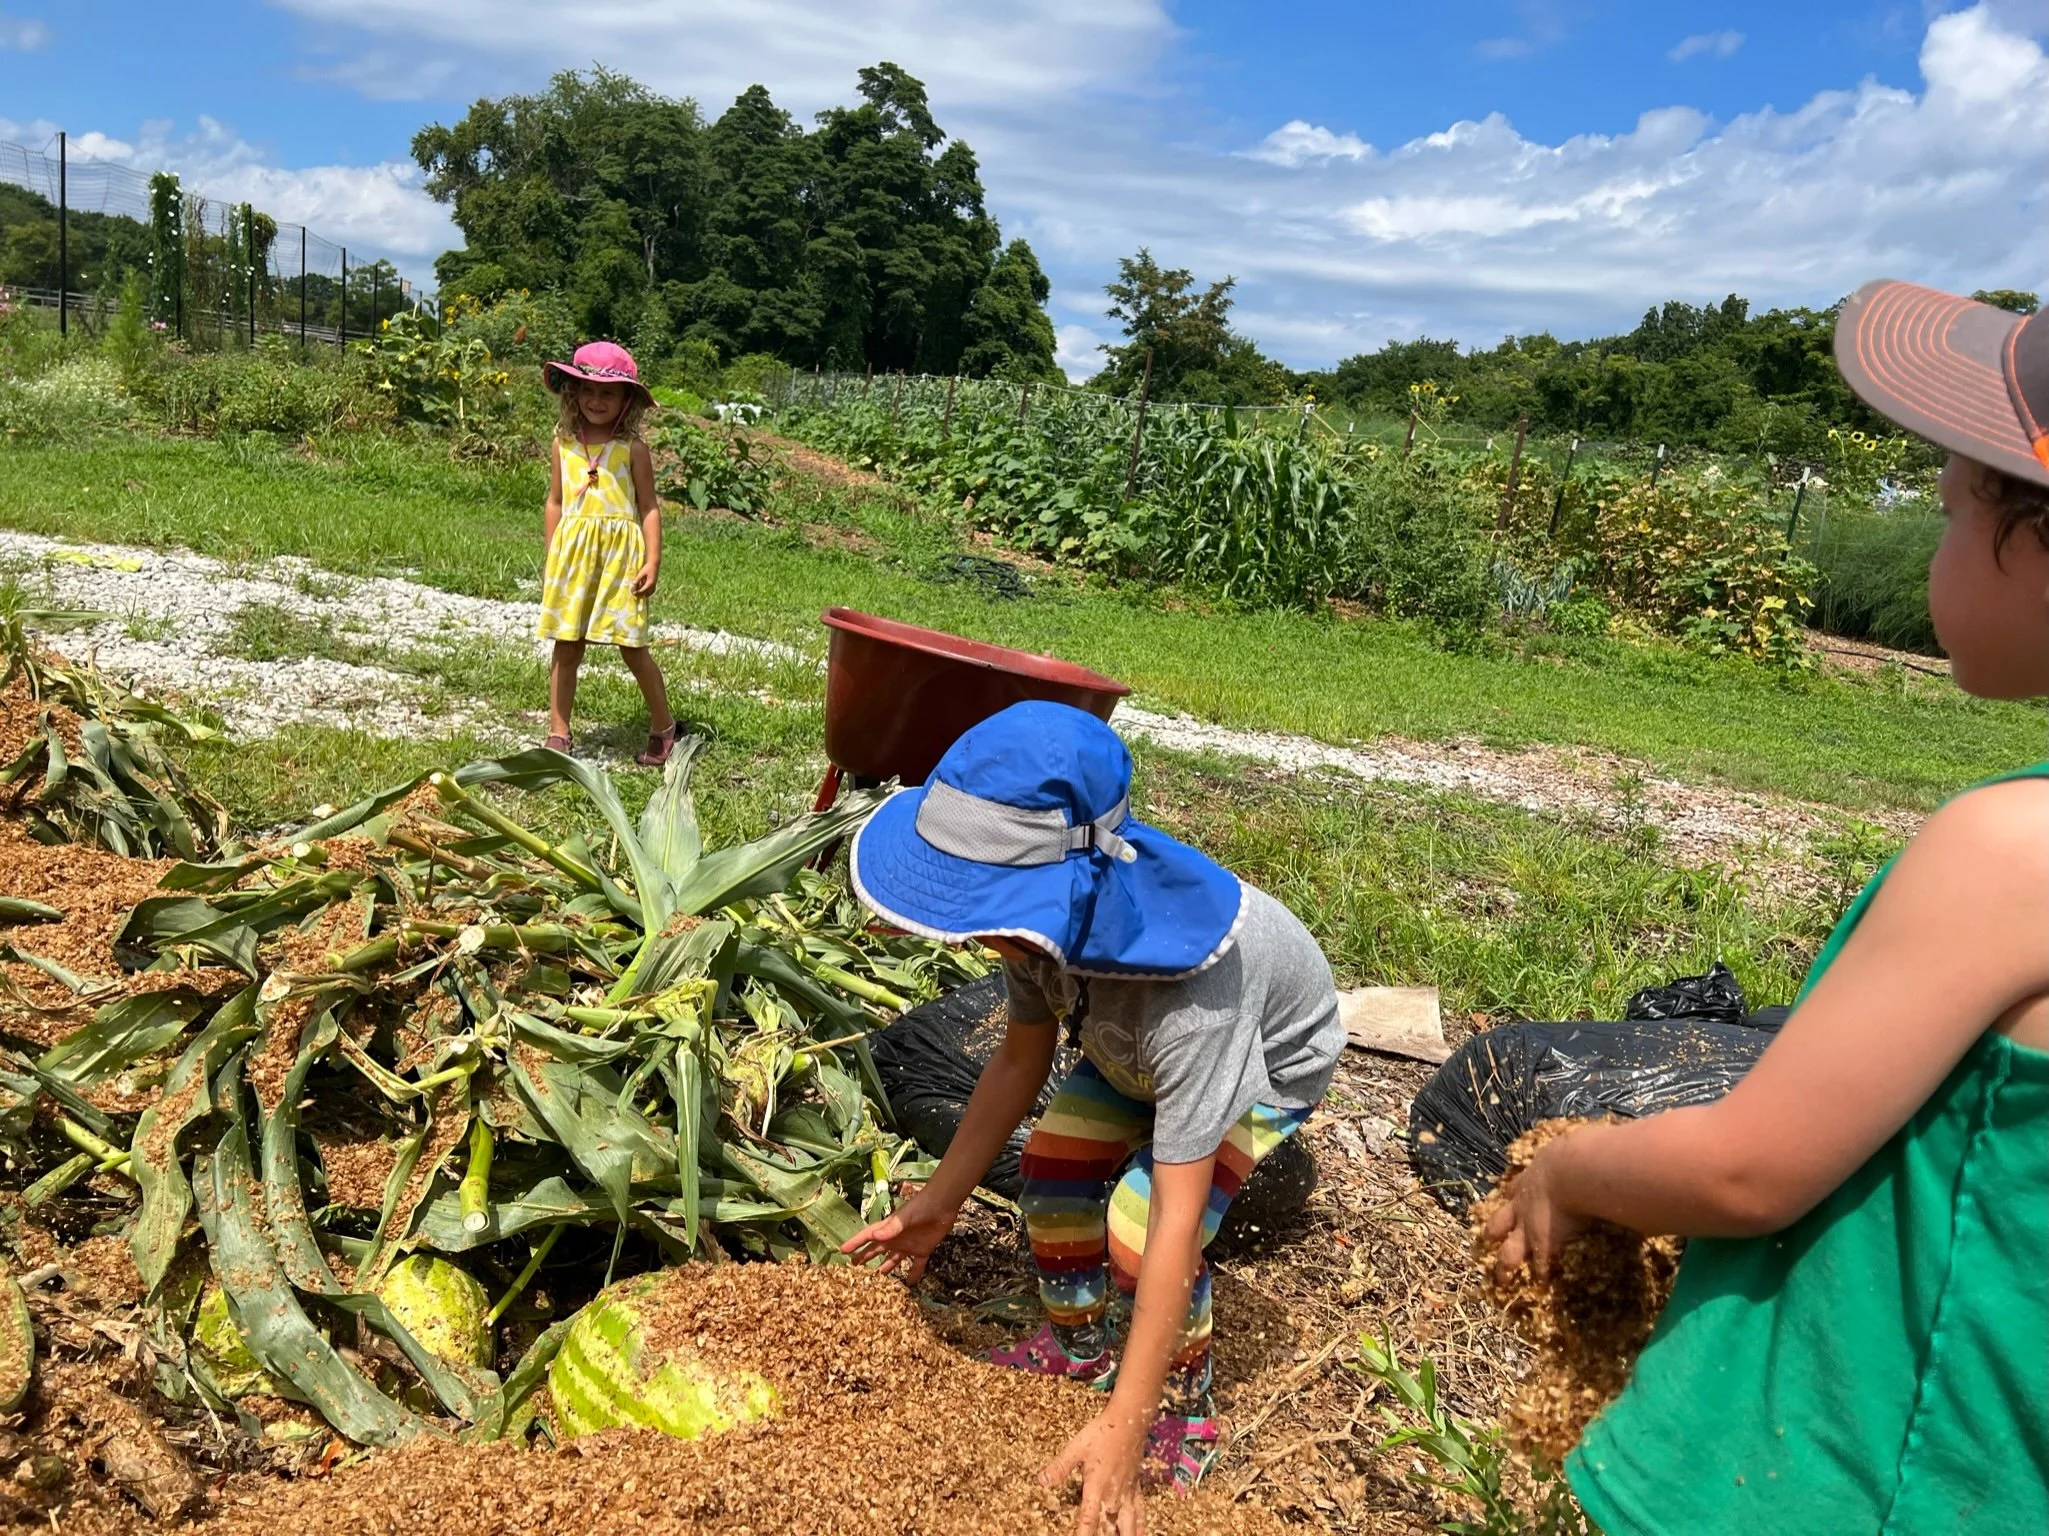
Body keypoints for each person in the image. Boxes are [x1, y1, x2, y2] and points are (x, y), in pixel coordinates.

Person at [1487, 280, 2049, 1534]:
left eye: (1956, 509)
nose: (1934, 550)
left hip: (1843, 1484)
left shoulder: (2015, 850)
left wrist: (1572, 1168)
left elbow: (1749, 1173)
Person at [840, 700, 1344, 1533]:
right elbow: (1017, 1061)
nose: (973, 937)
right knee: (1049, 1171)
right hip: (1125, 1050)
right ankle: (1080, 1346)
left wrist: (1126, 1425)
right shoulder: (1038, 932)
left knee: (1140, 1232)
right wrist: (935, 1205)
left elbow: (1176, 1227)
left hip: (1258, 1071)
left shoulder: (1191, 1005)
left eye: (982, 910)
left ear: (1070, 888)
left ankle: (1179, 1411)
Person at [537, 340, 679, 765]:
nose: (596, 400)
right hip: (573, 557)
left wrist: (652, 561)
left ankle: (664, 726)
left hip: (621, 559)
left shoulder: (632, 449)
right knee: (567, 644)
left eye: (608, 393)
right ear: (573, 393)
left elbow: (649, 507)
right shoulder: (562, 443)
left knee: (631, 646)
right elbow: (555, 502)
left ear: (626, 401)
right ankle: (559, 730)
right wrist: (552, 557)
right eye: (587, 390)